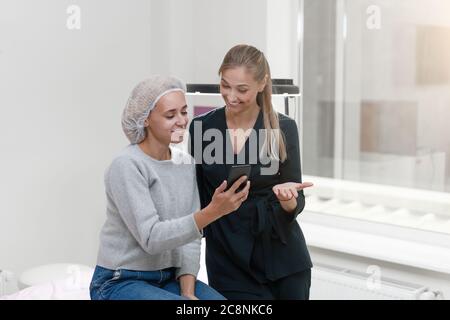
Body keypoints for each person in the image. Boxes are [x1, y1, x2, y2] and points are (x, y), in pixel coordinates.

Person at [90, 75, 250, 300]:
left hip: (168, 278)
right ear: (145, 119)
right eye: (170, 115)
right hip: (119, 280)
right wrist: (212, 212)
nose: (182, 121)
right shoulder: (127, 165)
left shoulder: (184, 164)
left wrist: (188, 293)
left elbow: (191, 238)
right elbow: (152, 238)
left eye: (184, 112)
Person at [189, 44, 314, 300]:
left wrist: (288, 200)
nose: (231, 95)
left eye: (242, 89)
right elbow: (196, 200)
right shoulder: (202, 128)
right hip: (228, 261)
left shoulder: (283, 128)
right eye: (225, 85)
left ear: (261, 84)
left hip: (283, 260)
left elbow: (296, 202)